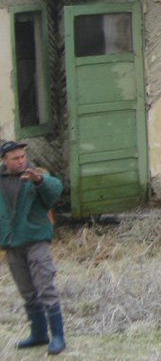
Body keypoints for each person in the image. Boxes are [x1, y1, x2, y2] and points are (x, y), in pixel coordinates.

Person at [0, 141, 65, 355]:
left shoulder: (37, 175)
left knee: (45, 286)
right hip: (12, 244)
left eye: (22, 156)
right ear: (4, 161)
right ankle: (38, 335)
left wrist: (39, 181)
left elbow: (55, 190)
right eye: (15, 158)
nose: (21, 161)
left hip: (36, 239)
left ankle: (58, 337)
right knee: (27, 291)